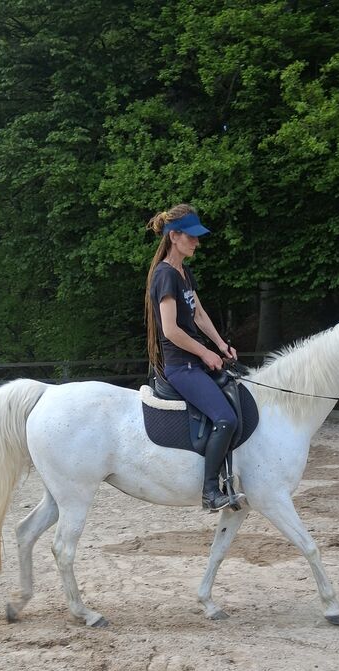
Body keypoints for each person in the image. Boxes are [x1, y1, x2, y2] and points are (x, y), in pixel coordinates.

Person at [145, 203, 241, 512]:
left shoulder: (184, 272)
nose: (197, 242)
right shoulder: (165, 276)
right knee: (225, 418)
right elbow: (171, 330)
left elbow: (198, 315)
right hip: (180, 366)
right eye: (192, 236)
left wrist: (221, 346)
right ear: (174, 236)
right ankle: (210, 491)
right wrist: (205, 352)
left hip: (195, 361)